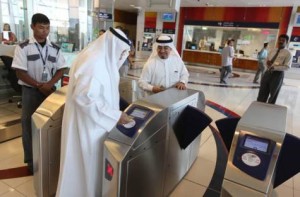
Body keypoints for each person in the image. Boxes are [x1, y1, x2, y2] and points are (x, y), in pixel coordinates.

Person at [56, 27, 133, 197]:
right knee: (85, 166)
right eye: (121, 52)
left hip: (95, 123)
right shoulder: (94, 61)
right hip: (88, 126)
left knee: (86, 167)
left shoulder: (100, 57)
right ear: (114, 46)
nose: (122, 57)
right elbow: (84, 98)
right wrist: (115, 115)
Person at [11, 13, 66, 173]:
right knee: (28, 125)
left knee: (51, 123)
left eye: (47, 28)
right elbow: (20, 73)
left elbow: (62, 69)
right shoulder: (23, 47)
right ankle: (30, 161)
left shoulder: (54, 48)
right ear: (32, 27)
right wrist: (37, 85)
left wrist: (48, 84)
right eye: (41, 27)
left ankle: (48, 156)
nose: (45, 31)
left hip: (49, 91)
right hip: (30, 91)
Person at [257, 34, 292, 104]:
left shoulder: (288, 53)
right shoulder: (273, 50)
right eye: (280, 40)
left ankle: (270, 109)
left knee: (273, 93)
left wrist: (274, 67)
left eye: (283, 40)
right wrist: (267, 63)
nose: (280, 42)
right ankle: (260, 105)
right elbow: (266, 60)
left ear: (287, 42)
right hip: (267, 72)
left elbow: (287, 67)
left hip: (277, 75)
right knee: (262, 90)